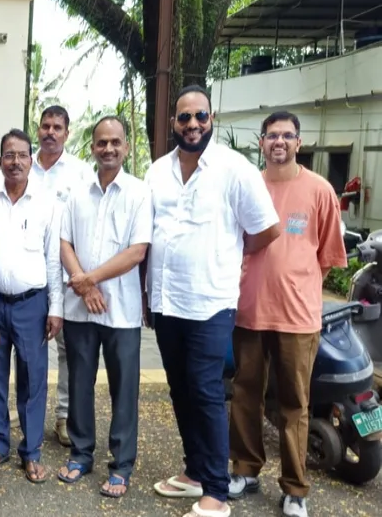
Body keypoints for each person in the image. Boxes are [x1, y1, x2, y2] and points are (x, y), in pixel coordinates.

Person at [148, 85, 280, 517]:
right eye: (184, 117)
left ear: (212, 119)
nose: (192, 124)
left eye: (200, 116)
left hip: (210, 302)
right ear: (174, 122)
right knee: (180, 389)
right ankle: (195, 472)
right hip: (167, 302)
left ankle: (217, 493)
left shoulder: (233, 168)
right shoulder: (157, 172)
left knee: (205, 391)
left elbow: (266, 229)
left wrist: (229, 256)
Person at [229, 111, 346, 517]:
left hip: (297, 318)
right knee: (245, 394)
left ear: (299, 142)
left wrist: (297, 285)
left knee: (295, 403)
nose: (279, 141)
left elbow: (327, 257)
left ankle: (295, 489)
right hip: (248, 311)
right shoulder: (248, 187)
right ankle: (245, 470)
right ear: (261, 142)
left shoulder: (319, 191)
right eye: (272, 135)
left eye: (287, 135)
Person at [56, 117, 151, 498]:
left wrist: (88, 280)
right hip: (80, 309)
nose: (108, 148)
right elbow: (64, 244)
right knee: (79, 382)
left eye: (115, 142)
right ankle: (81, 454)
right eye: (101, 142)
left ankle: (121, 465)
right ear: (92, 147)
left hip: (122, 312)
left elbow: (136, 252)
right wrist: (84, 287)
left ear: (126, 146)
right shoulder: (77, 194)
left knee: (123, 389)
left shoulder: (139, 193)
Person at [0, 129, 64, 483]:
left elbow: (54, 260)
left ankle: (31, 452)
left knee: (32, 379)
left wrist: (56, 308)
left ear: (31, 159)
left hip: (32, 305)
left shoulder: (47, 203)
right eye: (9, 155)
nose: (15, 162)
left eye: (22, 155)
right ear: (0, 161)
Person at [31, 105, 94, 447]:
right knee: (26, 347)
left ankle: (64, 415)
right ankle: (26, 411)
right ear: (38, 129)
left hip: (68, 271)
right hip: (30, 271)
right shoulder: (25, 165)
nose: (50, 132)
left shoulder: (80, 173)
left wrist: (82, 273)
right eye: (46, 126)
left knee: (68, 348)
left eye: (57, 127)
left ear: (67, 133)